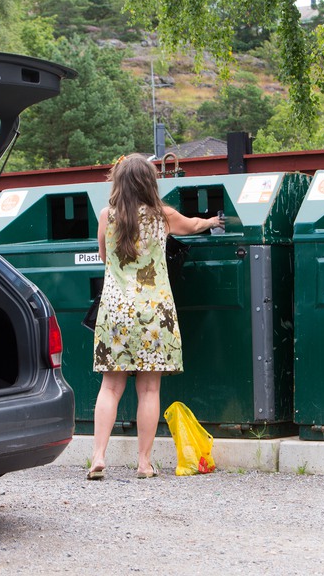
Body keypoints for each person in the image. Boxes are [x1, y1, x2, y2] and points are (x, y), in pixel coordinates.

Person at [87, 154, 223, 480]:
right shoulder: (163, 216)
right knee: (148, 391)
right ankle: (144, 463)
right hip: (154, 312)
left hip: (116, 312)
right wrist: (213, 222)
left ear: (119, 182)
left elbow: (106, 258)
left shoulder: (108, 216)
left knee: (110, 388)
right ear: (150, 182)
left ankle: (98, 457)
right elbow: (193, 225)